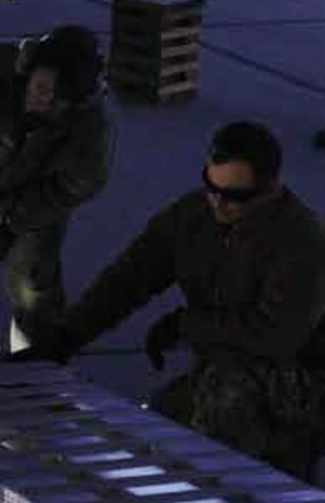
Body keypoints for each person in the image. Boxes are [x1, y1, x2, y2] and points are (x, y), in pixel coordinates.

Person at [44, 122, 325, 478]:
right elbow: (130, 276)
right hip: (225, 367)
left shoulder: (300, 240)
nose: (219, 204)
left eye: (234, 196)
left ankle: (246, 498)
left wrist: (187, 325)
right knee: (163, 425)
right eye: (212, 187)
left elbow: (276, 337)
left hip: (300, 380)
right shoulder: (193, 217)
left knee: (226, 408)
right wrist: (67, 336)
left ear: (268, 189)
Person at [0, 26, 114, 350]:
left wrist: (15, 214)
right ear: (27, 70)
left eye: (57, 100)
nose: (43, 101)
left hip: (36, 200)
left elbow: (81, 183)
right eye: (41, 87)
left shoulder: (89, 120)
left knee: (35, 290)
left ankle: (37, 368)